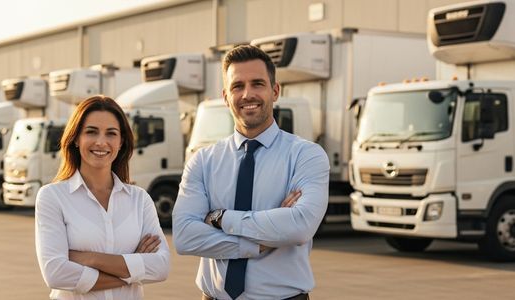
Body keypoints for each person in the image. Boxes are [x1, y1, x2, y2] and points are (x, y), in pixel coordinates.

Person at [172, 45, 329, 300]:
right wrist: (260, 241)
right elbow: (185, 237)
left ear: (275, 91)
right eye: (237, 86)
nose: (247, 94)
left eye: (258, 84)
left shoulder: (306, 155)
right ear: (225, 96)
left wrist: (221, 218)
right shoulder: (203, 161)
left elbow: (299, 226)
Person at [35, 95, 170, 299]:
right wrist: (133, 268)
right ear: (76, 139)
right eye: (91, 132)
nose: (101, 142)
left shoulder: (139, 199)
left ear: (121, 141)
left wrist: (90, 259)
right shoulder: (52, 197)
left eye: (111, 133)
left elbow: (161, 267)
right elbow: (56, 274)